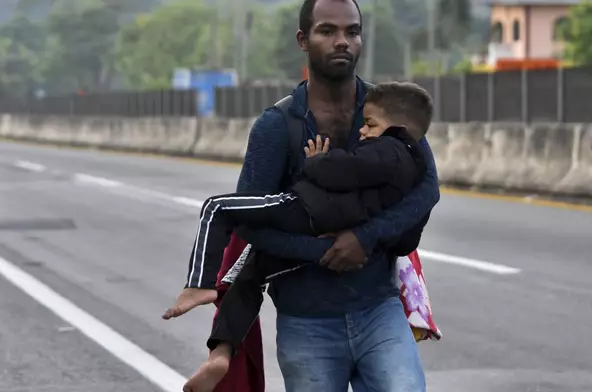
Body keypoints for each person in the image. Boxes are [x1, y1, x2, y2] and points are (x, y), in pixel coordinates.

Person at [181, 0, 439, 390]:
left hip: (379, 311)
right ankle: (220, 347)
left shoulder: (386, 110)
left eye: (352, 32)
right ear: (303, 39)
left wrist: (364, 239)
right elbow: (251, 226)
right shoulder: (276, 126)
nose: (342, 42)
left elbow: (426, 189)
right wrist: (323, 251)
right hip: (307, 323)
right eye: (327, 31)